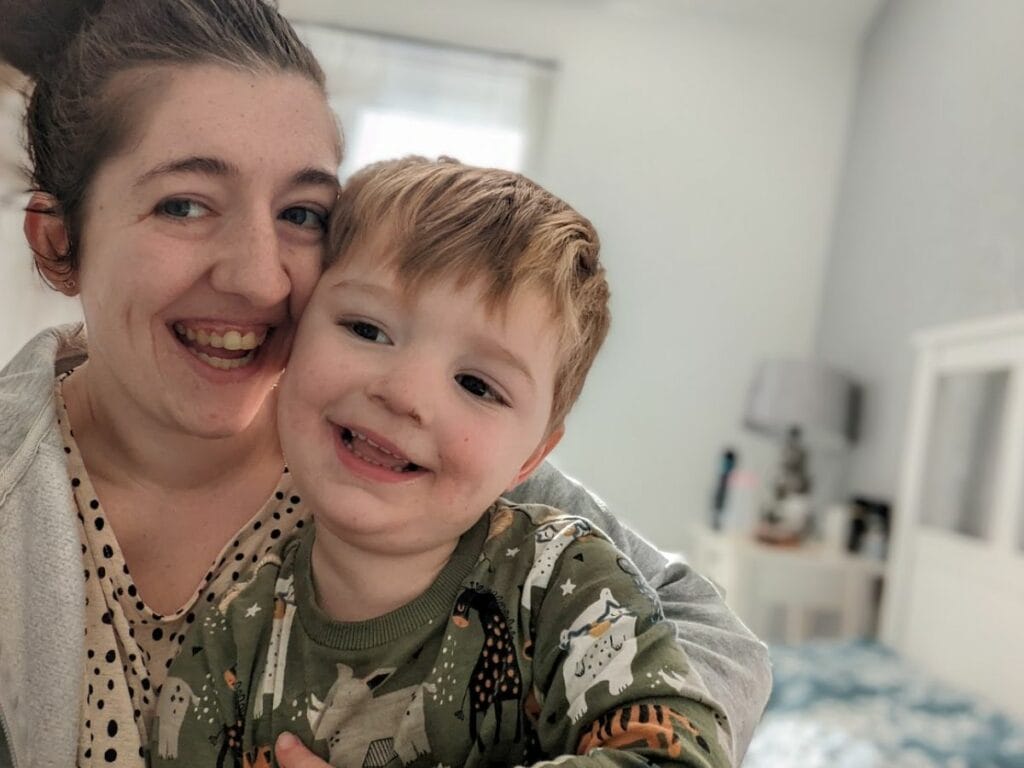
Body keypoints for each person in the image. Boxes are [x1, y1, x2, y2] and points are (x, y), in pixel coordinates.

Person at [0, 1, 770, 767]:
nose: (260, 276)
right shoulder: (48, 500)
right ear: (60, 237)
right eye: (185, 204)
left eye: (301, 212)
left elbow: (712, 646)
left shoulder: (443, 491)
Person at [148, 156, 733, 768]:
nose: (404, 394)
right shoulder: (234, 637)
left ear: (528, 459)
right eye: (367, 329)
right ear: (294, 335)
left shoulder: (565, 585)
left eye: (477, 385)